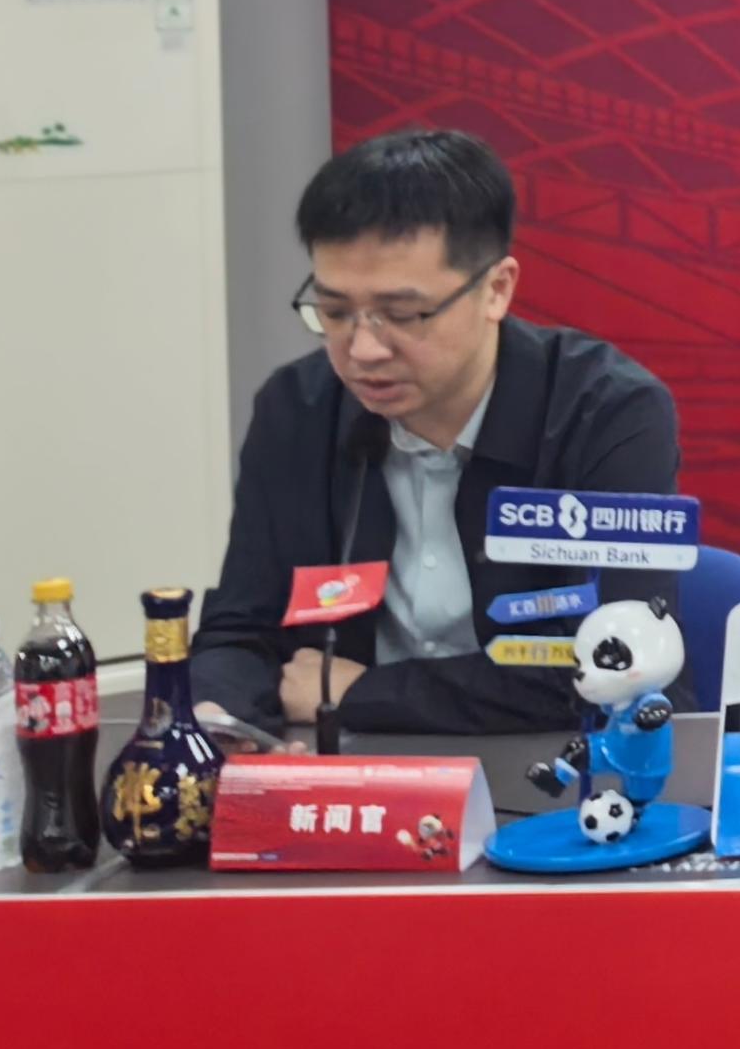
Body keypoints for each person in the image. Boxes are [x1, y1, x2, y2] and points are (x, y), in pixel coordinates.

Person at [195, 130, 683, 738]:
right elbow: (241, 631)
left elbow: (618, 663)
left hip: (553, 769)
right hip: (357, 773)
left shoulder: (606, 413)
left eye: (403, 315)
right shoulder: (297, 409)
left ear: (496, 290)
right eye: (335, 312)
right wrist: (219, 726)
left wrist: (360, 693)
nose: (363, 349)